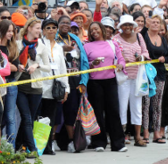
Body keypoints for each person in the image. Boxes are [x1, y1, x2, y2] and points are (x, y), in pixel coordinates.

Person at [83, 21, 127, 152]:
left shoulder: (112, 44)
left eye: (96, 29)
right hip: (94, 82)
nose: (94, 32)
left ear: (102, 29)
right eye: (91, 30)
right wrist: (92, 63)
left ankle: (118, 143)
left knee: (113, 111)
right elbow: (85, 65)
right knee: (97, 112)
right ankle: (99, 142)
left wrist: (121, 65)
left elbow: (121, 59)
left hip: (110, 81)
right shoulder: (87, 46)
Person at [15, 18, 50, 157]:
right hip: (20, 85)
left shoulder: (41, 46)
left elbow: (48, 67)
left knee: (29, 118)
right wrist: (18, 66)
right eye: (36, 28)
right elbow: (12, 60)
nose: (39, 31)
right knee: (26, 117)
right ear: (29, 28)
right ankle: (32, 149)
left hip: (35, 87)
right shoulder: (17, 44)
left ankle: (20, 145)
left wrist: (37, 65)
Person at [113, 15, 150, 146]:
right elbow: (113, 57)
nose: (127, 27)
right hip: (123, 78)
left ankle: (138, 137)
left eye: (130, 25)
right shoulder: (115, 39)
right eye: (125, 25)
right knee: (122, 107)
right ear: (120, 27)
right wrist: (122, 60)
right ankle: (121, 136)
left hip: (138, 77)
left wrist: (141, 57)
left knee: (137, 108)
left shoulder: (139, 37)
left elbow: (146, 53)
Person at [56, 15, 89, 153]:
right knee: (56, 112)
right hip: (57, 80)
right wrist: (61, 49)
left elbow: (84, 61)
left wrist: (83, 81)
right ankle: (52, 141)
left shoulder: (75, 39)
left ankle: (72, 141)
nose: (66, 25)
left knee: (72, 111)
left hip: (75, 79)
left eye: (68, 23)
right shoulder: (53, 38)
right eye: (62, 22)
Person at [141, 15, 168, 144]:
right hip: (146, 74)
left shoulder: (162, 39)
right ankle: (145, 133)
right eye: (152, 22)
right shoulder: (144, 36)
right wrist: (145, 25)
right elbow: (141, 40)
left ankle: (156, 133)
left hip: (159, 74)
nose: (155, 24)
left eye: (157, 22)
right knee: (146, 104)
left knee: (157, 104)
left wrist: (164, 59)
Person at [39, 18, 68, 156]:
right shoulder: (39, 44)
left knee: (50, 118)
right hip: (40, 86)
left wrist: (66, 87)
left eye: (53, 28)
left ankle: (48, 146)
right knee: (38, 117)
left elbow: (62, 68)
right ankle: (37, 145)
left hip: (54, 88)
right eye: (48, 28)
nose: (51, 30)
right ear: (43, 30)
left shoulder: (58, 47)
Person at [0, 19, 19, 146]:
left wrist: (4, 65)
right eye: (8, 31)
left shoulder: (13, 46)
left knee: (10, 117)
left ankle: (11, 146)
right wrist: (6, 66)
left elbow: (15, 68)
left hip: (11, 83)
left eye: (12, 31)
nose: (11, 34)